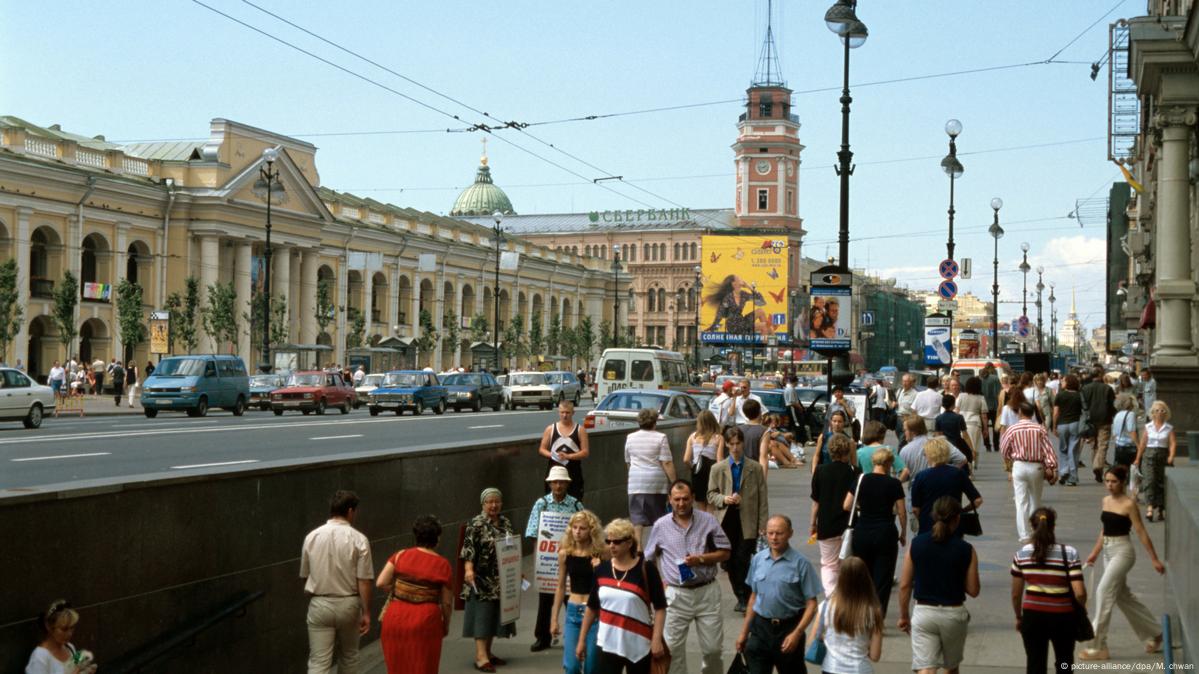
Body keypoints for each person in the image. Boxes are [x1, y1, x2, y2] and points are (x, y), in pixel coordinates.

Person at [643, 479, 731, 674]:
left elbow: (725, 552)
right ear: (669, 500)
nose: (681, 504)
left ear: (692, 498)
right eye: (677, 499)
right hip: (676, 594)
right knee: (673, 650)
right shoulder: (661, 525)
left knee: (713, 650)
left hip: (706, 592)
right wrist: (660, 585)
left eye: (685, 499)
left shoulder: (708, 521)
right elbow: (648, 560)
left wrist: (701, 559)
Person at [1079, 465, 1165, 661]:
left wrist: (1154, 559)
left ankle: (1097, 646)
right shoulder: (1105, 501)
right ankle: (1156, 633)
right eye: (1107, 481)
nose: (1109, 485)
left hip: (1123, 552)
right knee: (1122, 597)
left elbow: (1141, 531)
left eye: (1114, 482)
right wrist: (1094, 553)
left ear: (1123, 482)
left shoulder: (1129, 504)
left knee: (1103, 592)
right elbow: (1104, 529)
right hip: (1108, 551)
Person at [896, 496, 981, 674]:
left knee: (926, 668)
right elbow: (973, 590)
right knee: (951, 667)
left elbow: (904, 585)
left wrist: (904, 615)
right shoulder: (966, 549)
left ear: (933, 516)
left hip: (924, 612)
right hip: (954, 614)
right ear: (957, 519)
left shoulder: (916, 545)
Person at [577, 518, 667, 674]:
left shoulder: (646, 569)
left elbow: (660, 607)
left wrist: (657, 639)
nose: (611, 545)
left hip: (639, 645)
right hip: (607, 644)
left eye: (617, 541)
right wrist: (581, 640)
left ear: (629, 543)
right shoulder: (601, 570)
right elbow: (592, 608)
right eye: (608, 541)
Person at [735, 514, 822, 674]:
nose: (774, 538)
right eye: (770, 533)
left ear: (790, 533)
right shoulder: (758, 560)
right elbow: (753, 597)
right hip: (760, 629)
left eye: (779, 533)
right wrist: (743, 633)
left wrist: (797, 633)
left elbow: (812, 604)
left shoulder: (801, 563)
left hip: (789, 628)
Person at [300, 490, 374, 674]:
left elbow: (305, 574)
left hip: (320, 603)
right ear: (350, 511)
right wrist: (366, 613)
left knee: (318, 662)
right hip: (349, 604)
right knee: (349, 656)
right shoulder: (359, 539)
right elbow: (364, 580)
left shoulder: (312, 536)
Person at [1010, 507, 1087, 673]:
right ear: (1053, 526)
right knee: (1065, 663)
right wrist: (1078, 610)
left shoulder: (1021, 555)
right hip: (1063, 616)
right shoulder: (1069, 553)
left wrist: (1018, 617)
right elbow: (1080, 593)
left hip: (1033, 616)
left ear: (1032, 526)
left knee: (1035, 664)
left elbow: (1016, 594)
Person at [375, 515, 454, 674]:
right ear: (437, 538)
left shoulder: (400, 555)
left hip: (395, 618)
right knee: (423, 666)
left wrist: (402, 590)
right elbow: (446, 602)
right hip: (426, 620)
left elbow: (381, 582)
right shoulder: (443, 564)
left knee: (397, 666)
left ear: (416, 535)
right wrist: (445, 624)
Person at [707, 426, 769, 613]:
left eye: (738, 443)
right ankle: (741, 595)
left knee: (744, 558)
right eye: (731, 444)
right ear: (726, 445)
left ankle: (748, 595)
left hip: (747, 518)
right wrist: (724, 499)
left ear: (743, 443)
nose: (735, 448)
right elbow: (710, 494)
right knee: (730, 560)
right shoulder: (718, 469)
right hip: (727, 518)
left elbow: (762, 497)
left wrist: (763, 524)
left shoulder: (755, 467)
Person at [526, 466, 585, 652]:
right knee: (545, 598)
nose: (558, 485)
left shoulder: (576, 505)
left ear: (567, 484)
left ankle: (574, 636)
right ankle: (542, 636)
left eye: (561, 482)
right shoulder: (541, 504)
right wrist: (538, 558)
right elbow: (534, 532)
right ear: (549, 483)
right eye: (555, 482)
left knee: (571, 596)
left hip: (571, 556)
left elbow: (585, 529)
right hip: (548, 559)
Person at [461, 488, 518, 672]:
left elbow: (513, 547)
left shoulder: (506, 522)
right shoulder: (475, 524)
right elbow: (468, 549)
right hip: (481, 578)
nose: (493, 505)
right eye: (489, 502)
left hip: (501, 576)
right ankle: (480, 656)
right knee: (482, 616)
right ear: (483, 504)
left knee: (494, 615)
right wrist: (468, 569)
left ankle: (488, 651)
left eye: (497, 502)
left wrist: (516, 570)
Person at [847, 446, 907, 617]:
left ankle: (861, 613)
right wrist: (903, 532)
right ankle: (877, 616)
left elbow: (846, 505)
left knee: (863, 575)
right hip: (885, 532)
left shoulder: (860, 480)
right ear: (889, 463)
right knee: (883, 577)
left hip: (863, 531)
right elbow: (901, 511)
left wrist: (862, 506)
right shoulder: (894, 483)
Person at [553, 510, 606, 674]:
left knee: (592, 667)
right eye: (574, 527)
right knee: (571, 665)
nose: (577, 531)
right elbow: (560, 586)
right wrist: (554, 619)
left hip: (595, 612)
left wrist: (600, 569)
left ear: (591, 530)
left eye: (582, 528)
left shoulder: (602, 553)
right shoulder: (565, 553)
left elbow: (612, 582)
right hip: (573, 610)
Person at [1001, 402, 1059, 544]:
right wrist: (1052, 466)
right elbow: (1048, 450)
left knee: (1021, 501)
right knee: (1035, 499)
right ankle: (1036, 529)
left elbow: (1003, 449)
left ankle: (1024, 535)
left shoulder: (1012, 429)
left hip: (1019, 465)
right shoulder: (1040, 429)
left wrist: (1010, 457)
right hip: (1036, 466)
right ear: (1032, 413)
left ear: (1020, 413)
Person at [816, 557, 884, 674]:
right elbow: (875, 655)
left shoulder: (826, 606)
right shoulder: (873, 611)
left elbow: (814, 638)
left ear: (840, 578)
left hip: (831, 668)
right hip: (860, 669)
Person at [810, 434, 857, 596]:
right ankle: (847, 595)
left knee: (829, 564)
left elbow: (816, 501)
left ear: (830, 452)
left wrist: (813, 524)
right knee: (847, 564)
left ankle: (832, 596)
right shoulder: (855, 472)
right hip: (849, 524)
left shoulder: (821, 470)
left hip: (826, 523)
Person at [625, 408, 677, 544]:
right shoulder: (661, 437)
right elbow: (666, 462)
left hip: (635, 482)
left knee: (637, 519)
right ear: (654, 422)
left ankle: (638, 549)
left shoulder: (630, 438)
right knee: (658, 518)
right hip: (656, 483)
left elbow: (628, 462)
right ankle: (655, 547)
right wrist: (675, 482)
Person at [909, 438, 983, 536]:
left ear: (930, 455)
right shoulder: (958, 474)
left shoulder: (921, 476)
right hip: (953, 526)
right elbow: (977, 501)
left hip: (928, 527)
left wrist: (923, 518)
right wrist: (960, 511)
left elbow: (915, 509)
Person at [25, 600, 97, 674]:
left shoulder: (70, 647)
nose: (69, 633)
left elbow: (76, 668)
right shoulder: (40, 657)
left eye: (72, 628)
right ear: (49, 627)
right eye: (64, 629)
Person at [539, 400, 590, 500]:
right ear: (558, 412)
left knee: (574, 499)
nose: (565, 415)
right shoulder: (550, 429)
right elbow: (542, 449)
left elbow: (585, 452)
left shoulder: (580, 430)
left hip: (573, 471)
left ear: (573, 413)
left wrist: (568, 456)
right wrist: (553, 455)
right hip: (554, 470)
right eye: (562, 412)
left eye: (567, 412)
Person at [1135, 400, 1176, 522]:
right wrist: (1138, 458)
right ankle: (1150, 508)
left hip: (1163, 456)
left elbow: (1173, 443)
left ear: (1166, 413)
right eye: (1157, 410)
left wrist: (1171, 456)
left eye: (1162, 410)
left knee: (1161, 483)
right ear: (1152, 413)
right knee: (1149, 481)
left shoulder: (1168, 428)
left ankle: (1161, 509)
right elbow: (1143, 444)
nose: (1159, 413)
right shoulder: (1148, 427)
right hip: (1149, 456)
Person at [685, 410, 724, 513]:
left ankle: (702, 527)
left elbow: (686, 459)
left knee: (701, 506)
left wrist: (694, 467)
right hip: (712, 473)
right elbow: (720, 460)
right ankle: (709, 527)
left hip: (697, 473)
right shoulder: (718, 438)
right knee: (711, 504)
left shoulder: (692, 437)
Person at [1081, 367, 1116, 482]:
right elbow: (1112, 405)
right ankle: (1098, 467)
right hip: (1104, 420)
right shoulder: (1107, 389)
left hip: (1089, 421)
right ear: (1101, 375)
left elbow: (1083, 405)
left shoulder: (1085, 388)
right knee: (1103, 445)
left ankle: (1098, 470)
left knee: (1094, 446)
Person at [1051, 374, 1084, 487]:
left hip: (1062, 424)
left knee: (1063, 449)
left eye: (1063, 381)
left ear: (1068, 382)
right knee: (1073, 450)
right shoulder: (1079, 395)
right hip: (1075, 424)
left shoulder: (1060, 395)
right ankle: (1072, 477)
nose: (1061, 383)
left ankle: (1064, 471)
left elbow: (1055, 413)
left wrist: (1054, 426)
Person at [957, 377, 989, 470]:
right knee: (974, 445)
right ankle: (973, 464)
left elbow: (957, 410)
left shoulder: (961, 396)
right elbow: (984, 415)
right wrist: (985, 428)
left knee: (962, 446)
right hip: (975, 424)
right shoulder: (981, 398)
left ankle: (964, 465)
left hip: (962, 423)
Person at [934, 394, 973, 468]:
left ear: (943, 405)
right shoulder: (959, 417)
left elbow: (937, 435)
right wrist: (971, 448)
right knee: (968, 455)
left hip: (945, 444)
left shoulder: (938, 418)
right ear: (953, 404)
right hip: (958, 442)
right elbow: (965, 435)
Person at [811, 409, 851, 475]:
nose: (837, 424)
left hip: (841, 474)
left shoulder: (849, 440)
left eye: (840, 421)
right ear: (830, 422)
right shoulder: (823, 437)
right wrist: (814, 471)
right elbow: (816, 455)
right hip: (824, 473)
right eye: (834, 421)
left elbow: (853, 461)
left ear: (844, 423)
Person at [736, 398, 769, 469]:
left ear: (745, 413)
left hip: (739, 467)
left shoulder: (737, 429)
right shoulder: (764, 431)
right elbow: (763, 457)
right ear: (759, 412)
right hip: (754, 468)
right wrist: (763, 478)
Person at [1109, 394, 1140, 469]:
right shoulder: (1130, 414)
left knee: (1121, 471)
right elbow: (1132, 431)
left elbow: (1114, 434)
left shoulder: (1117, 415)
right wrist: (1139, 446)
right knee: (1132, 471)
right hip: (1129, 448)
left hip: (1119, 446)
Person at [981, 364, 1003, 452]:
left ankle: (987, 446)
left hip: (983, 406)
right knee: (995, 427)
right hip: (994, 406)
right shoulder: (995, 378)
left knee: (984, 427)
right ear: (991, 368)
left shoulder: (980, 378)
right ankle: (996, 445)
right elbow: (999, 393)